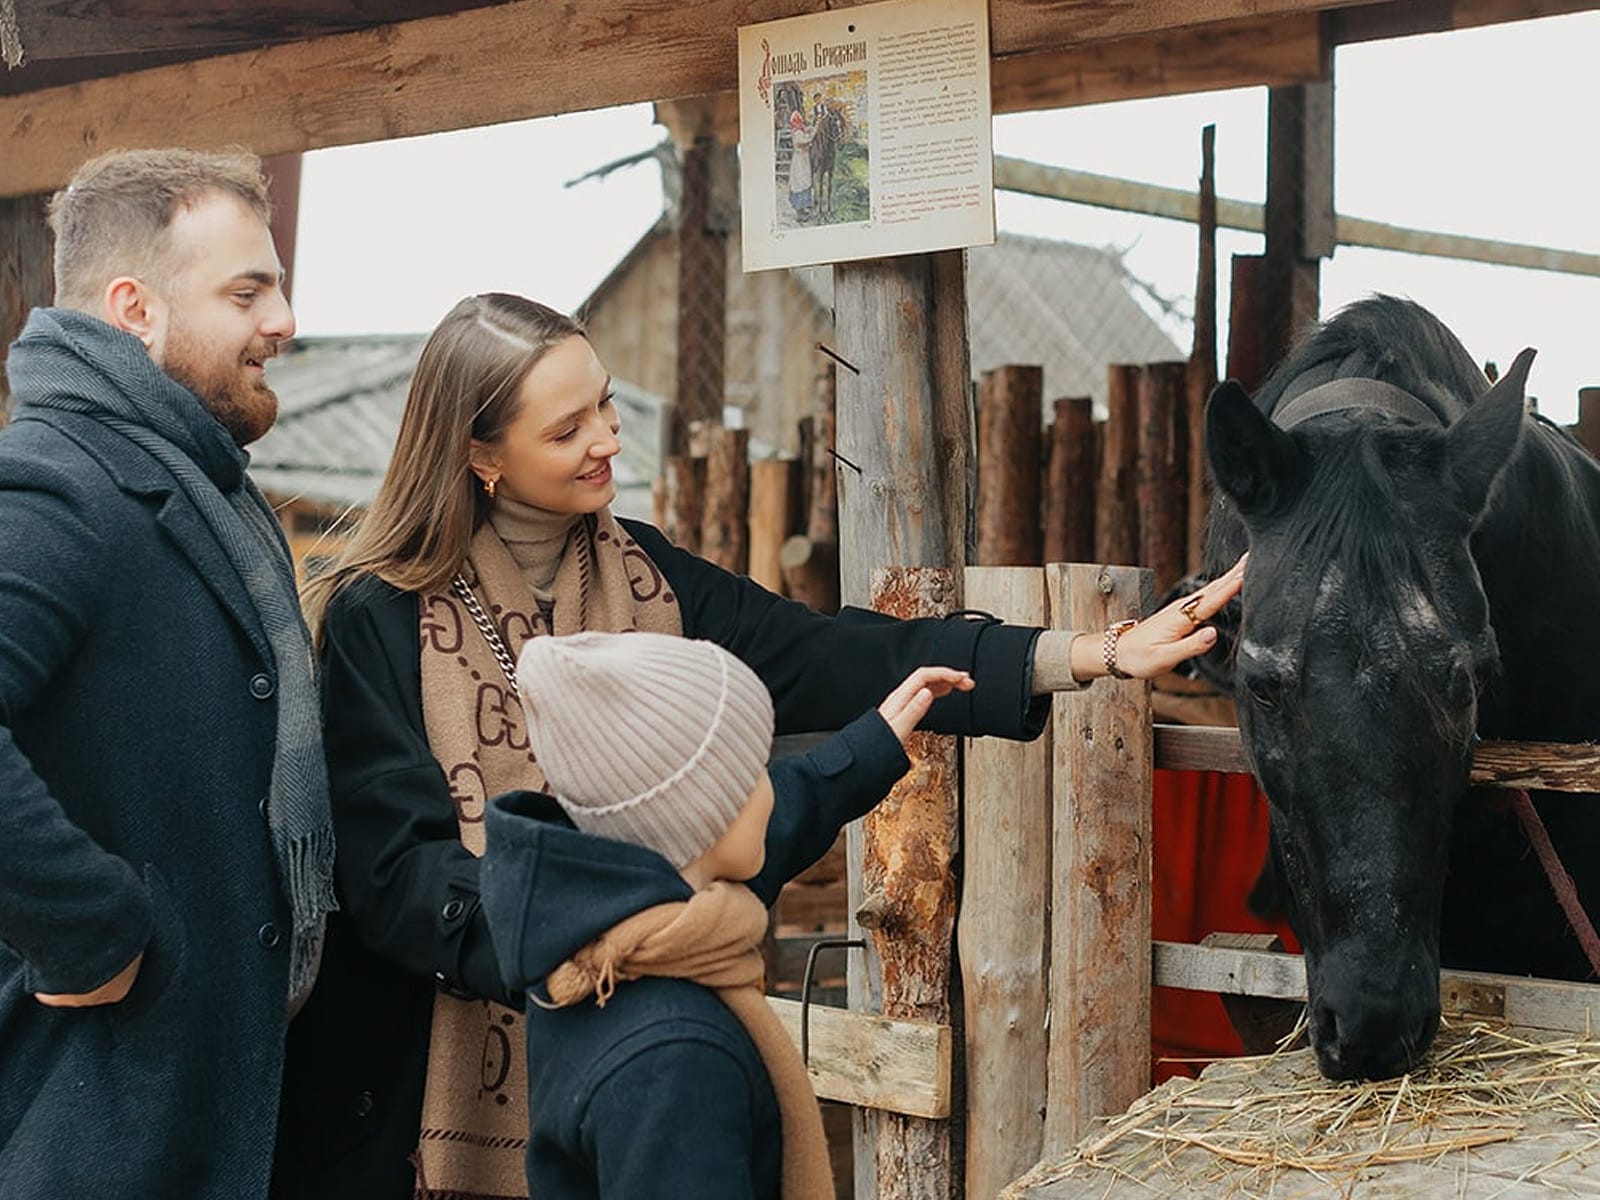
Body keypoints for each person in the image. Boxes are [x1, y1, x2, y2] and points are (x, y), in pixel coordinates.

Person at [272, 291, 1243, 1200]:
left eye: (605, 406)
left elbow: (827, 654)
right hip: (420, 1090)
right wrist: (586, 937)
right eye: (566, 429)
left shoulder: (645, 573)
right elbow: (397, 874)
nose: (610, 438)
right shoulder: (378, 615)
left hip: (618, 1014)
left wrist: (1088, 651)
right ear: (479, 453)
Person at [0, 147, 330, 1199]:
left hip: (214, 1104)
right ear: (133, 308)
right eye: (248, 291)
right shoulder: (53, 483)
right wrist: (91, 932)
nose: (282, 320)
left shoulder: (203, 488)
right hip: (94, 1117)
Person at [481, 631, 971, 1199]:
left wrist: (874, 740)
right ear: (703, 814)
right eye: (752, 774)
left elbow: (784, 809)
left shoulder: (595, 951)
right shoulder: (673, 1055)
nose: (770, 790)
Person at [786, 104, 815, 219]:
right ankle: (800, 210)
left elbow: (806, 131)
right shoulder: (797, 132)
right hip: (799, 161)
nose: (801, 122)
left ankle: (805, 207)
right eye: (799, 120)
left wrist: (812, 127)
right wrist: (815, 130)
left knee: (805, 181)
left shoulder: (800, 130)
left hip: (804, 159)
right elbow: (806, 140)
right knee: (800, 182)